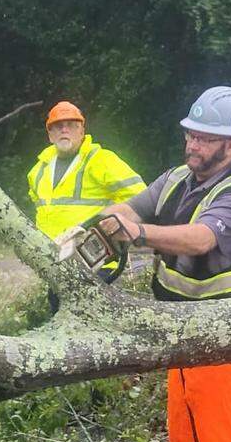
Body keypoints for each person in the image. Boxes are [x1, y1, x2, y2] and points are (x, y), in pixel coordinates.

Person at [101, 86, 231, 442]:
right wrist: (106, 222)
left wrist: (138, 235)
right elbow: (131, 208)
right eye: (191, 135)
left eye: (204, 138)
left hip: (223, 339)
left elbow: (201, 239)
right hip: (182, 336)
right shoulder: (177, 178)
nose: (193, 144)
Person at [26, 101, 146, 307]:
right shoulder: (38, 171)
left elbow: (142, 199)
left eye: (71, 125)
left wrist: (118, 228)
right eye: (58, 126)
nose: (65, 130)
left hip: (97, 262)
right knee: (57, 312)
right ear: (50, 134)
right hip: (55, 262)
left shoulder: (101, 160)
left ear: (82, 131)